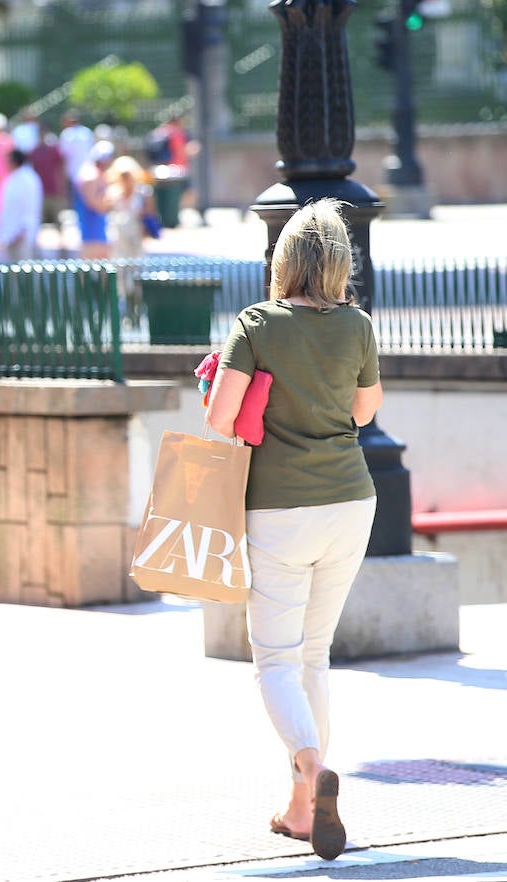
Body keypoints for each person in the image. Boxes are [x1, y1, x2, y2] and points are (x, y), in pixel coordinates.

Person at [205, 198, 383, 863]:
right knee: (314, 655)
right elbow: (364, 411)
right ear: (340, 261)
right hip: (350, 501)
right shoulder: (357, 326)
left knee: (275, 659)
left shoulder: (256, 324)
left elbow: (223, 420)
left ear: (283, 261)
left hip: (278, 508)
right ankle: (302, 810)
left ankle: (310, 768)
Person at [105, 155, 156, 321]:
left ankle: (136, 313)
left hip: (135, 242)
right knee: (120, 279)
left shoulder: (143, 193)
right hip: (119, 242)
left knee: (136, 279)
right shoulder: (113, 193)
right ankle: (124, 312)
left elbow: (151, 215)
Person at [0, 149, 44, 262]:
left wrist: (23, 229)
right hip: (12, 233)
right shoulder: (16, 177)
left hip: (21, 234)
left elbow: (30, 206)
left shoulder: (27, 179)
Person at [73, 140, 115, 260]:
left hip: (98, 230)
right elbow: (95, 204)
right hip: (91, 232)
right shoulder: (90, 176)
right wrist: (112, 200)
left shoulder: (96, 174)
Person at [29, 130, 67, 235]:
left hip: (53, 189)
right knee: (39, 218)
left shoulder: (54, 151)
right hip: (39, 190)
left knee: (57, 217)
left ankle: (62, 242)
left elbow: (61, 167)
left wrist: (62, 185)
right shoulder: (34, 152)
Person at [57, 109, 94, 185]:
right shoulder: (87, 131)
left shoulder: (66, 134)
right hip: (87, 170)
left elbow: (62, 154)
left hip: (72, 171)